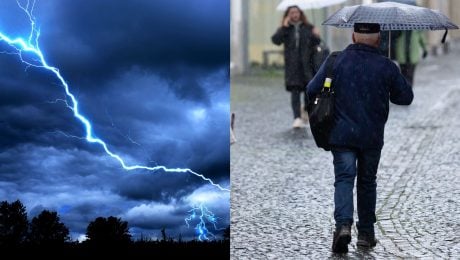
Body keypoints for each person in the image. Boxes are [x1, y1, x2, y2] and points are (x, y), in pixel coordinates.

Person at [306, 23, 414, 253]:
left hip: (341, 134)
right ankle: (365, 234)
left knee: (344, 178)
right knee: (367, 183)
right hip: (371, 137)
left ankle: (343, 225)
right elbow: (405, 97)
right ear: (378, 39)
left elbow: (311, 89)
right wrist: (394, 72)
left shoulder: (336, 60)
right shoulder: (385, 65)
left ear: (354, 36)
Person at [271, 5, 320, 128]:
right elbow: (276, 40)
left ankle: (305, 112)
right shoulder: (286, 29)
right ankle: (296, 117)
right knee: (295, 92)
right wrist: (283, 27)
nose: (295, 14)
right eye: (292, 12)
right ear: (288, 14)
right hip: (292, 66)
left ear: (300, 13)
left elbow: (316, 43)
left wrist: (316, 35)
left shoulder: (308, 27)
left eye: (296, 12)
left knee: (308, 92)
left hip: (307, 65)